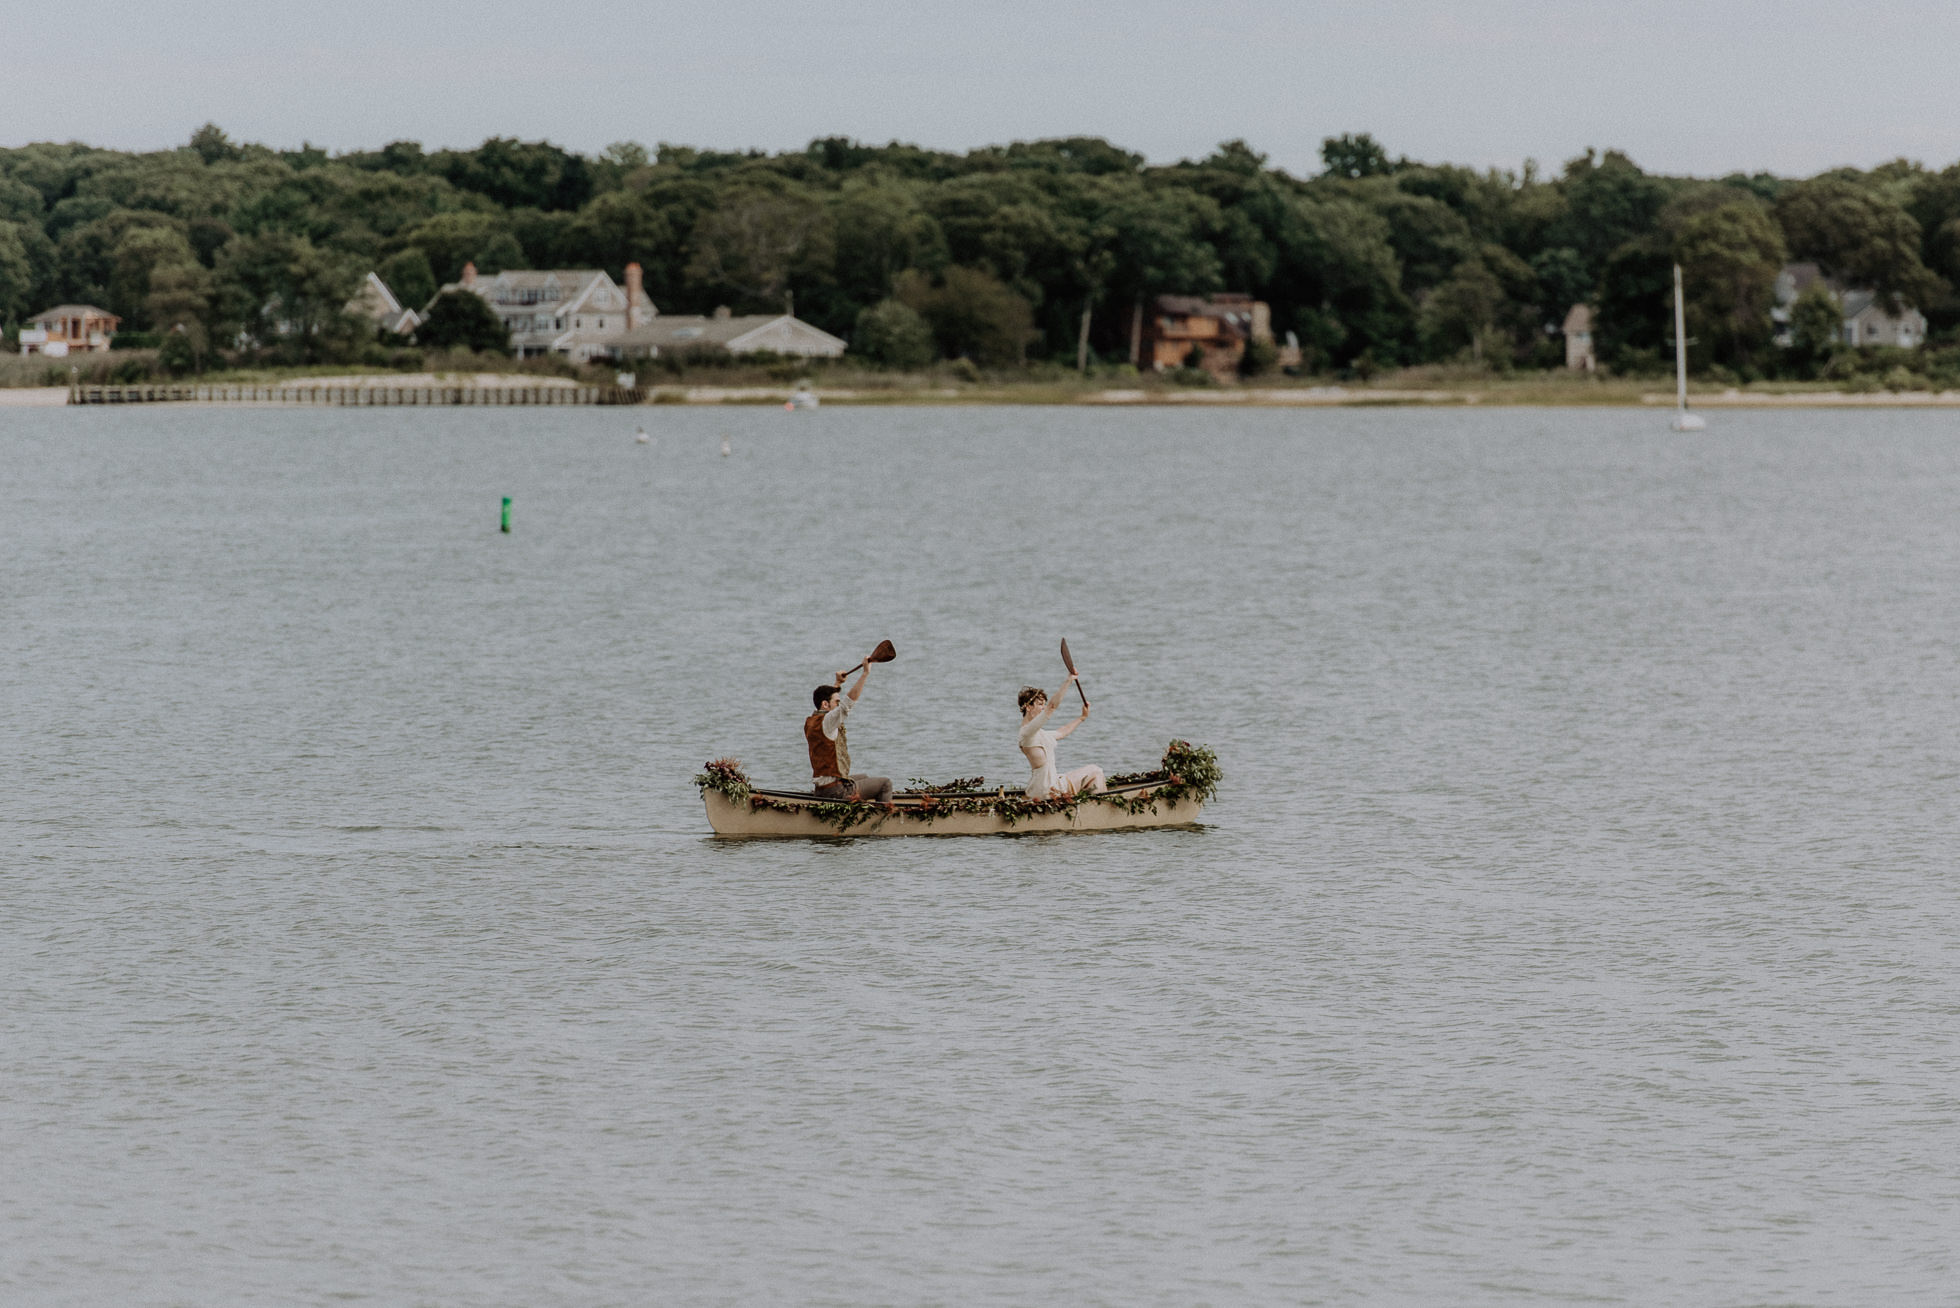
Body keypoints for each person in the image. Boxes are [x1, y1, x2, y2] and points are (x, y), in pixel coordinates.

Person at [805, 662, 893, 802]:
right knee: (885, 783)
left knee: (864, 777)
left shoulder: (811, 721)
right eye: (836, 702)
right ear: (825, 704)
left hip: (822, 789)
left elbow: (830, 698)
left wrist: (837, 683)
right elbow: (849, 702)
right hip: (835, 792)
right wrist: (865, 673)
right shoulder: (828, 721)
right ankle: (884, 820)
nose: (838, 705)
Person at [1016, 676, 1105, 800]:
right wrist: (1069, 680)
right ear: (1029, 707)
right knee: (1095, 771)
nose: (1043, 707)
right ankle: (1097, 810)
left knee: (1092, 772)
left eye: (1044, 704)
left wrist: (1081, 718)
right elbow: (1051, 707)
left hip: (1048, 784)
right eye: (1040, 704)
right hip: (1047, 789)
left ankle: (1094, 807)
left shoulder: (1037, 733)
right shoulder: (1027, 733)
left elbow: (1062, 732)